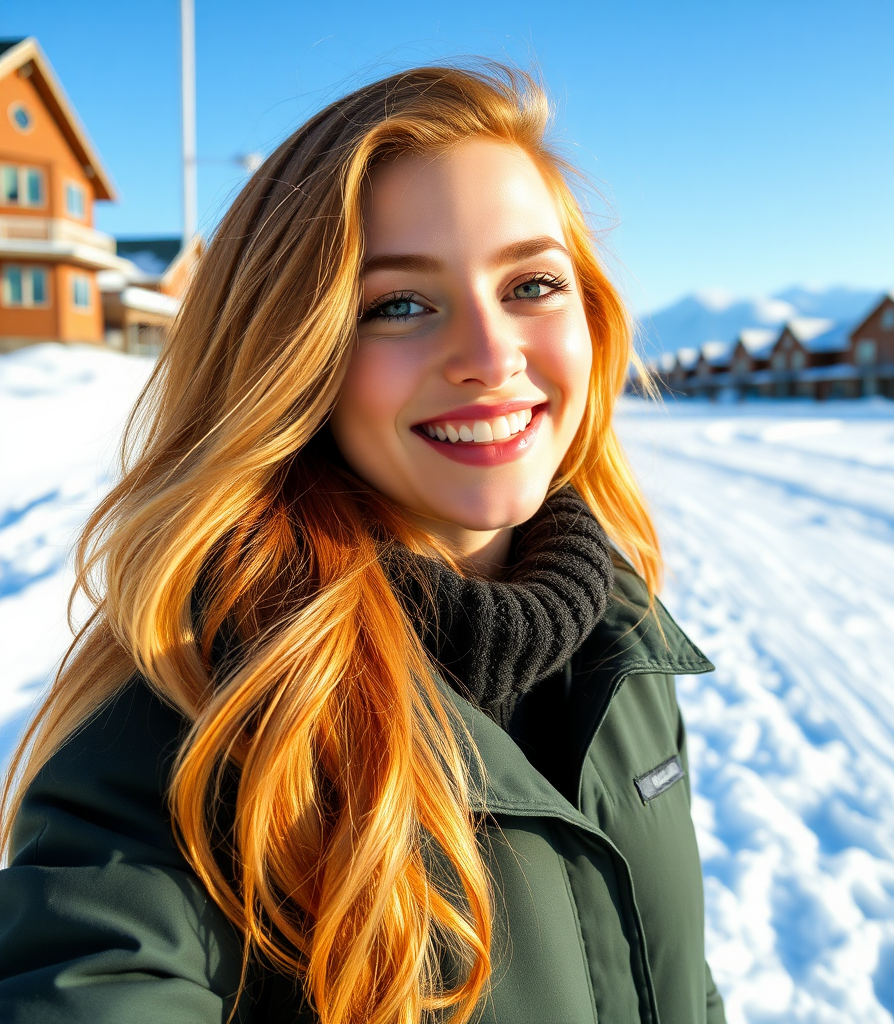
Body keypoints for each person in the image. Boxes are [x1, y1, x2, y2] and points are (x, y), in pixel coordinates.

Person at [0, 65, 726, 1024]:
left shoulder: (620, 641)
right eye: (399, 304)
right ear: (294, 357)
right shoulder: (201, 710)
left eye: (532, 284)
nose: (490, 351)